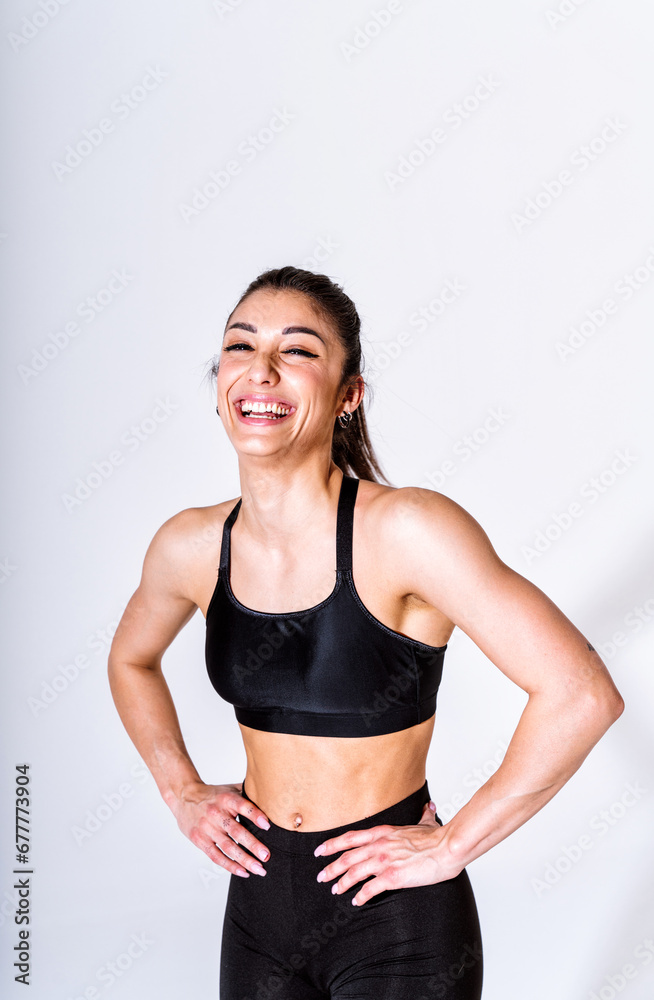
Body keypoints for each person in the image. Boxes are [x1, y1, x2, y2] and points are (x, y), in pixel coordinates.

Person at [108, 266, 624, 999]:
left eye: (298, 351)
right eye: (239, 346)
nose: (261, 370)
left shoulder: (408, 531)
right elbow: (131, 660)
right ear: (219, 382)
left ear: (349, 396)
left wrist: (454, 843)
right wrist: (180, 790)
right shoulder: (189, 545)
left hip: (397, 922)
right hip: (257, 911)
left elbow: (582, 693)